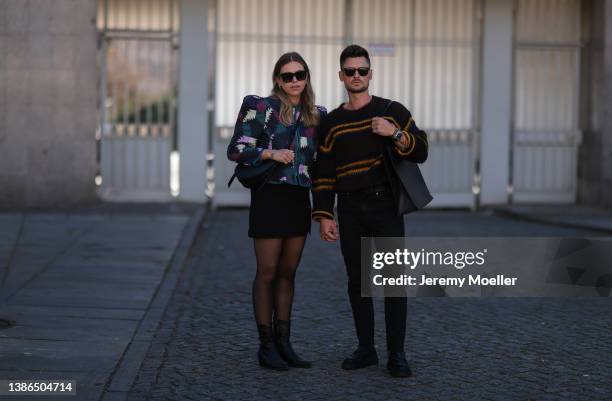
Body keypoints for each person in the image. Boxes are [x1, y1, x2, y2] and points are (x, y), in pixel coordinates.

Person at [311, 44, 428, 378]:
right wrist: (323, 215)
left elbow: (421, 150)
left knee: (394, 280)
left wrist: (396, 134)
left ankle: (397, 354)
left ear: (370, 74)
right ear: (341, 76)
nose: (356, 76)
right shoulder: (331, 123)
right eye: (350, 71)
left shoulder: (392, 111)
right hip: (349, 208)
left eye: (362, 70)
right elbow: (324, 173)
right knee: (357, 281)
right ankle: (366, 349)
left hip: (384, 204)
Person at [227, 52, 327, 371]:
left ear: (307, 77)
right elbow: (237, 150)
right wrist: (271, 152)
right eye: (288, 76)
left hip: (299, 198)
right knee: (267, 272)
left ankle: (285, 344)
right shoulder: (261, 107)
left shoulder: (317, 115)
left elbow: (324, 161)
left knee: (288, 273)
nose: (295, 81)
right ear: (277, 80)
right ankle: (266, 345)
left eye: (300, 74)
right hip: (269, 196)